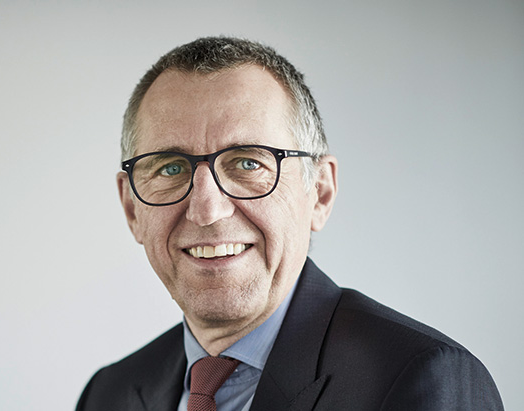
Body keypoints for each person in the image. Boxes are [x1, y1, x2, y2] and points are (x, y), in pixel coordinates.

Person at [76, 37, 503, 410]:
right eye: (170, 168)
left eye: (248, 163)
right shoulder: (108, 394)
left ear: (320, 192)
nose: (207, 210)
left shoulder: (421, 378)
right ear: (132, 209)